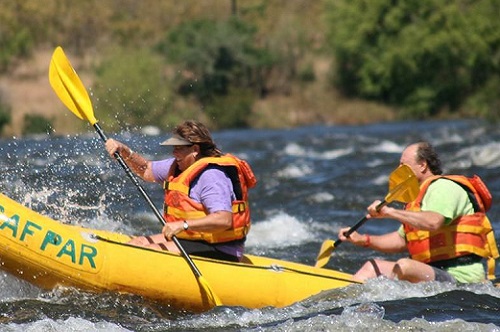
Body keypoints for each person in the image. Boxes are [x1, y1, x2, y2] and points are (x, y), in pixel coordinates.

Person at [338, 141, 499, 283]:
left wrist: (390, 212)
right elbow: (402, 241)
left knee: (404, 266)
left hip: (461, 277)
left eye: (403, 165)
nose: (399, 169)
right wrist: (363, 240)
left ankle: (385, 302)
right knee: (371, 267)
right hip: (428, 272)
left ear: (422, 165)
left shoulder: (443, 188)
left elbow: (433, 222)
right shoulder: (416, 199)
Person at [105, 120, 257, 262]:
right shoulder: (179, 166)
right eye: (174, 148)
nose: (174, 153)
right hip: (194, 239)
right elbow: (146, 169)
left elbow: (223, 220)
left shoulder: (212, 176)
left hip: (220, 248)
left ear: (195, 149)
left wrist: (182, 225)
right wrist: (124, 151)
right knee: (138, 242)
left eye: (179, 148)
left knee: (146, 252)